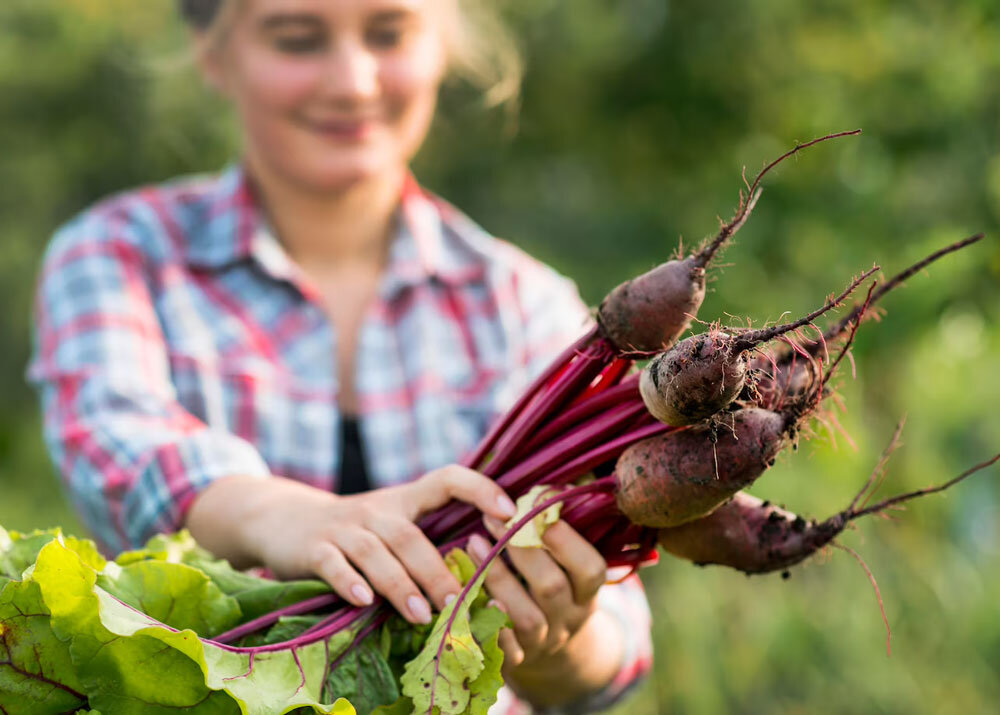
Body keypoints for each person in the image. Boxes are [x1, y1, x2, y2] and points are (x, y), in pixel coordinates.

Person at [28, 0, 652, 711]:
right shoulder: (117, 255)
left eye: (389, 34)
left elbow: (618, 640)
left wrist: (558, 645)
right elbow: (117, 440)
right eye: (297, 40)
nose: (353, 81)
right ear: (213, 53)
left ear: (442, 43)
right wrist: (285, 516)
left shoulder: (525, 303)